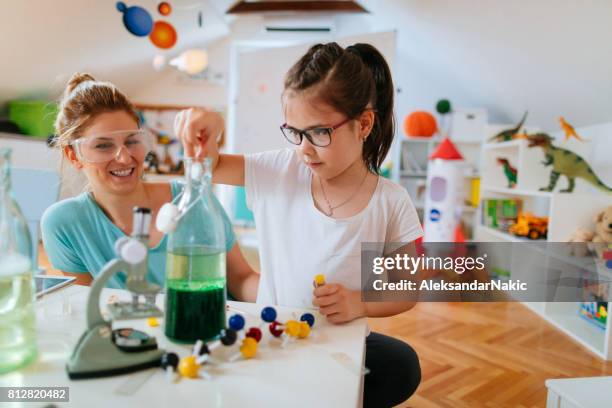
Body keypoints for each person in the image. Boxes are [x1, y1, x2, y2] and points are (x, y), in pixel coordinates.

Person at [175, 42, 422, 407]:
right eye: (296, 132)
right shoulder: (278, 170)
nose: (304, 148)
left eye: (319, 133)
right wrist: (208, 125)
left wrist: (360, 301)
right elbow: (206, 162)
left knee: (402, 367)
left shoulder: (391, 201)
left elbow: (408, 289)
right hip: (271, 338)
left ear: (364, 123)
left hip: (337, 345)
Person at [41, 73, 259, 302]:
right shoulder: (64, 224)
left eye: (132, 141)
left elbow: (241, 279)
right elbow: (89, 309)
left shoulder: (193, 200)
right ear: (73, 155)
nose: (124, 158)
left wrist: (287, 293)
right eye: (103, 145)